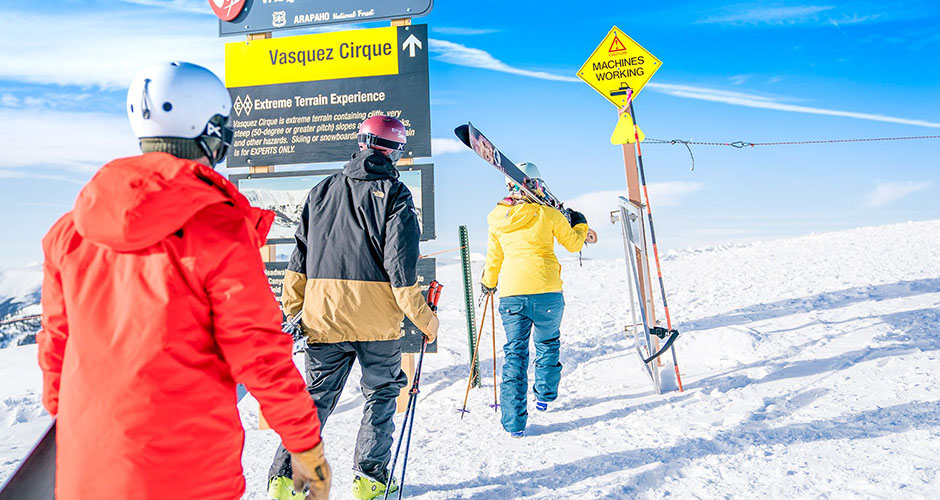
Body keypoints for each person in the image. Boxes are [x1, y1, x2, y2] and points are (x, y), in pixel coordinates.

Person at [37, 61, 331, 500]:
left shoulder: (69, 232)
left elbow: (56, 349)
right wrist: (305, 445)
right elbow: (258, 353)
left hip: (87, 469)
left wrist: (82, 430)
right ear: (211, 129)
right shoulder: (217, 228)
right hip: (190, 474)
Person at [268, 115, 439, 500]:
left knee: (316, 397)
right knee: (380, 395)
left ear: (361, 142)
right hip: (376, 323)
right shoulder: (396, 195)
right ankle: (370, 482)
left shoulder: (321, 191)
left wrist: (295, 311)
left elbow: (299, 260)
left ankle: (286, 482)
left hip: (322, 317)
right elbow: (401, 270)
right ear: (396, 150)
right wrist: (426, 320)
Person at [480, 162, 597, 437]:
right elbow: (574, 244)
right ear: (538, 185)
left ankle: (514, 423)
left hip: (512, 294)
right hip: (547, 291)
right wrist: (580, 224)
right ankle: (544, 397)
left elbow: (494, 259)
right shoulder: (549, 214)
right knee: (547, 343)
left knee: (515, 355)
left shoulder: (497, 218)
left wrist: (488, 284)